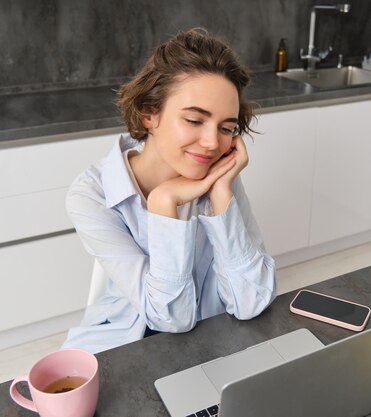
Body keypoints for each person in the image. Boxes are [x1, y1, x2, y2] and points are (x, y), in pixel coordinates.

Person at [62, 28, 277, 353]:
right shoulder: (91, 194)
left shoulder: (217, 173)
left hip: (210, 340)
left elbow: (251, 300)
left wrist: (221, 195)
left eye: (226, 128)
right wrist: (164, 203)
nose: (211, 143)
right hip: (125, 343)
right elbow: (172, 318)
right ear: (150, 114)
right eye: (194, 120)